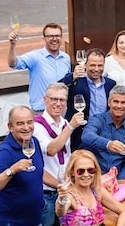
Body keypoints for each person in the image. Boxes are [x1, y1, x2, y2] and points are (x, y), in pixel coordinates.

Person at [33, 83, 84, 226]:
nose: (58, 103)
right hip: (47, 192)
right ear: (45, 100)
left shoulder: (64, 122)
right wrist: (71, 127)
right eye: (54, 99)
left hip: (66, 189)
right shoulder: (37, 125)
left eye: (62, 100)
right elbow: (51, 149)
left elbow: (66, 155)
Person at [0, 106, 45, 226]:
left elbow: (39, 172)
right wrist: (12, 170)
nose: (26, 127)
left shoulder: (34, 142)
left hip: (35, 220)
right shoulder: (5, 151)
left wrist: (61, 184)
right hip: (12, 222)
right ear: (10, 127)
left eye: (29, 122)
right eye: (20, 123)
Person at [60, 48, 117, 151]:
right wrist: (72, 77)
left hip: (103, 134)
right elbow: (57, 88)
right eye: (92, 65)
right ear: (85, 64)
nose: (96, 69)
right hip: (79, 135)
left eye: (100, 65)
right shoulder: (76, 81)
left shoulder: (111, 84)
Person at [8, 22, 71, 113]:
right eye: (50, 36)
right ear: (44, 38)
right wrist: (12, 45)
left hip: (62, 111)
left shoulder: (66, 58)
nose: (54, 39)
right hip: (41, 112)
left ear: (61, 38)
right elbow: (13, 63)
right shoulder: (35, 57)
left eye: (57, 36)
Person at [55, 149, 125, 226]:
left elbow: (124, 211)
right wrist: (61, 199)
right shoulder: (69, 195)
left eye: (91, 170)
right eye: (81, 171)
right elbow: (60, 212)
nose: (86, 174)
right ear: (72, 172)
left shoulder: (97, 191)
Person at [81, 85, 125, 179]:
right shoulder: (97, 119)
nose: (119, 106)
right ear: (109, 102)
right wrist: (108, 144)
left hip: (118, 179)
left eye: (123, 102)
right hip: (93, 177)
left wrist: (117, 182)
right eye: (116, 101)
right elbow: (86, 136)